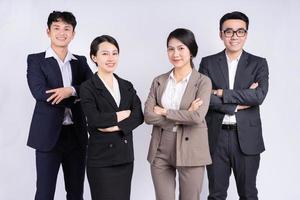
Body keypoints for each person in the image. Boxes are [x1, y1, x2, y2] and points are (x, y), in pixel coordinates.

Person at [199, 11, 269, 200]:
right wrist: (238, 104)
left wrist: (221, 93)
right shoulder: (208, 63)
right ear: (221, 34)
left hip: (247, 138)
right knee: (216, 194)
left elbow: (258, 96)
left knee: (248, 194)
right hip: (216, 136)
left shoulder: (258, 64)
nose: (234, 36)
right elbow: (204, 99)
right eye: (229, 31)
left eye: (240, 31)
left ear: (246, 34)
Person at [26, 11, 92, 200]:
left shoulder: (80, 61)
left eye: (67, 28)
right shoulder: (36, 60)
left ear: (73, 34)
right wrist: (78, 95)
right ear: (48, 31)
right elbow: (40, 93)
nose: (61, 33)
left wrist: (70, 90)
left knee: (75, 192)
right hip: (47, 136)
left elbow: (93, 89)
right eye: (56, 28)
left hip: (76, 135)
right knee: (45, 193)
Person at [144, 28, 212, 200]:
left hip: (192, 148)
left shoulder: (203, 82)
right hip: (160, 147)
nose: (175, 53)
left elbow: (197, 117)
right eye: (170, 48)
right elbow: (148, 116)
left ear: (191, 51)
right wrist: (184, 115)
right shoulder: (159, 81)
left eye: (181, 48)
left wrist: (166, 112)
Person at [80, 35, 144, 200]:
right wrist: (120, 115)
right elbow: (94, 120)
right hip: (101, 159)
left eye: (115, 53)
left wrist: (115, 126)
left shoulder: (126, 85)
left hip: (124, 157)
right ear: (94, 57)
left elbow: (138, 116)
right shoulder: (87, 87)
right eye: (105, 53)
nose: (111, 58)